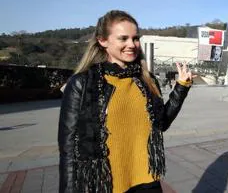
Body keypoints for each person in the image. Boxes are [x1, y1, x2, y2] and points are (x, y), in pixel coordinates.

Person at [58, 10, 195, 193]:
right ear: (102, 40)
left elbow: (161, 123)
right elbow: (68, 148)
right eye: (123, 38)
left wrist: (181, 87)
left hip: (147, 180)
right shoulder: (82, 83)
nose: (132, 45)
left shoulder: (146, 80)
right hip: (105, 182)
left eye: (135, 38)